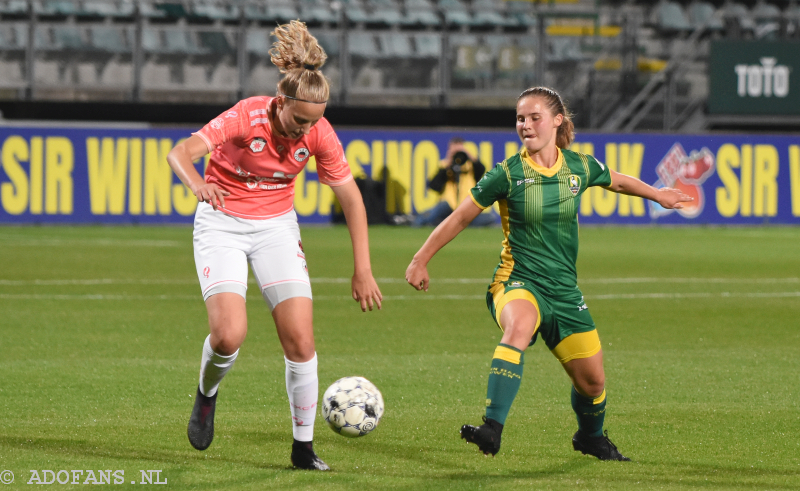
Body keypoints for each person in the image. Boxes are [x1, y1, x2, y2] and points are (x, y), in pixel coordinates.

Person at [405, 86, 692, 461]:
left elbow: (617, 180)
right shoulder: (507, 173)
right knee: (519, 328)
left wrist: (659, 195)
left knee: (593, 382)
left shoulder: (578, 166)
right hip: (516, 281)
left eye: (534, 117)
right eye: (520, 118)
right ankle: (492, 427)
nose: (525, 125)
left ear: (557, 121)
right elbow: (461, 216)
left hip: (564, 291)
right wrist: (420, 258)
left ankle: (590, 437)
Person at [166, 20, 382, 471]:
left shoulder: (319, 132)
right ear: (280, 102)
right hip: (221, 222)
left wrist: (362, 268)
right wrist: (197, 186)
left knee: (301, 340)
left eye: (314, 123)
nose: (305, 131)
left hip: (276, 229)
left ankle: (302, 447)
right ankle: (207, 394)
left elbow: (351, 198)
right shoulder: (246, 115)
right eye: (298, 120)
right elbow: (180, 153)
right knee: (229, 335)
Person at [413, 137, 496, 227]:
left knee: (490, 217)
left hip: (466, 205)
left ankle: (454, 223)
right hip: (448, 204)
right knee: (424, 219)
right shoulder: (444, 165)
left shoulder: (470, 166)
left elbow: (481, 169)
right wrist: (448, 163)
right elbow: (433, 186)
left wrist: (467, 154)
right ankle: (457, 223)